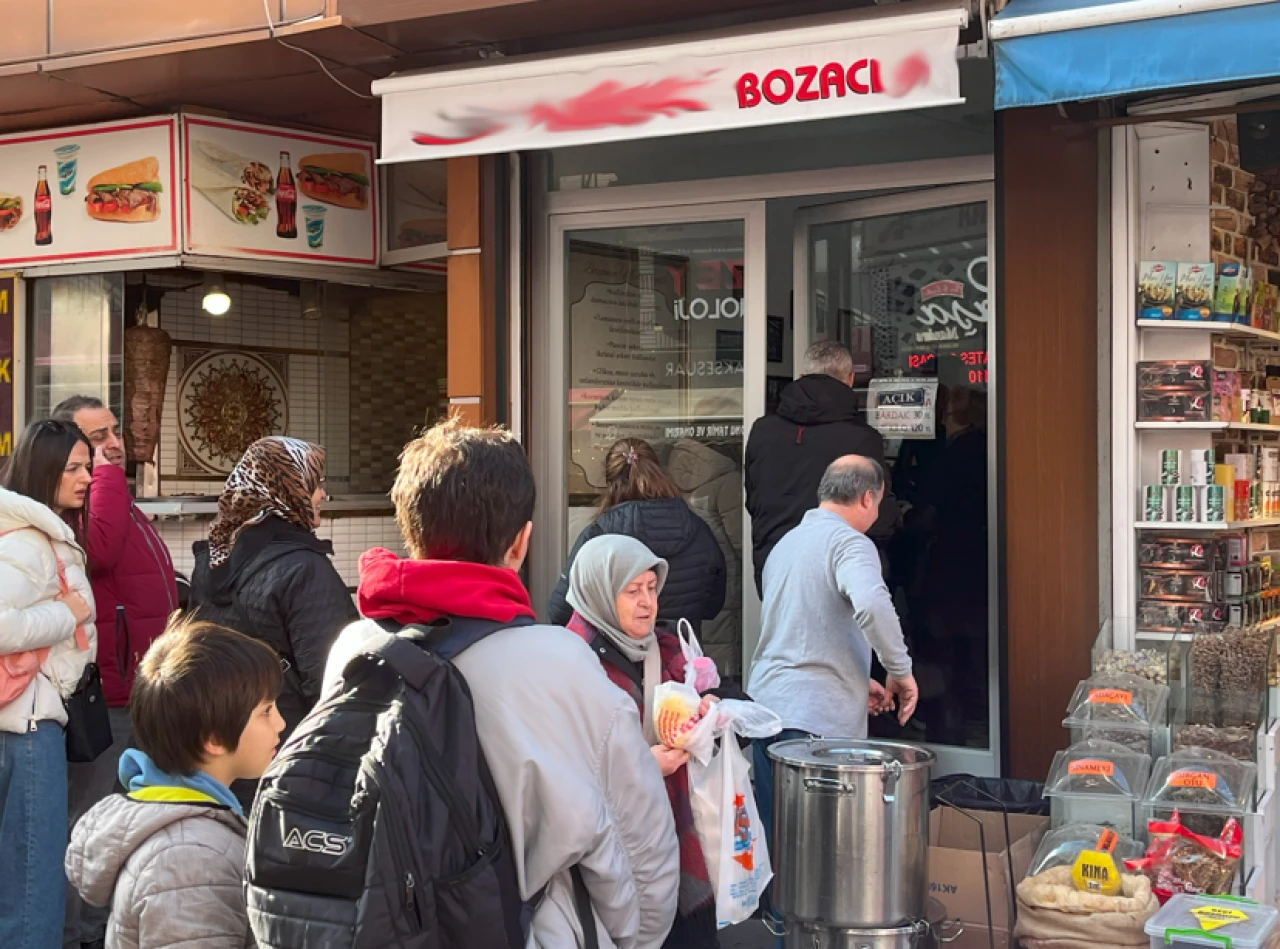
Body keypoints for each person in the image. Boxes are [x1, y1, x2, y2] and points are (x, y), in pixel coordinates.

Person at [325, 417, 679, 949]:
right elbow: (638, 838)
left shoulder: (354, 648)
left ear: (410, 527)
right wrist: (640, 938)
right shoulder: (559, 661)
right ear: (521, 542)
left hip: (378, 927)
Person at [66, 616, 285, 949]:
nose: (281, 722)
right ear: (213, 737)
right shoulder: (188, 858)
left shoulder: (186, 832)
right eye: (266, 711)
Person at [566, 533, 737, 949]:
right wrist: (644, 765)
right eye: (632, 591)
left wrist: (708, 713)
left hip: (678, 839)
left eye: (651, 588)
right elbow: (563, 768)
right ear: (600, 593)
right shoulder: (570, 662)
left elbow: (702, 720)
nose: (647, 602)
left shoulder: (665, 650)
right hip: (607, 860)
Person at [53, 395, 179, 949]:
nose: (112, 444)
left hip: (139, 682)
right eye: (95, 438)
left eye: (113, 432)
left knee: (120, 812)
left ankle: (100, 930)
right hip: (109, 686)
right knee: (91, 817)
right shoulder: (87, 495)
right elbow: (101, 552)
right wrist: (102, 473)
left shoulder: (105, 493)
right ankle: (79, 935)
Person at [748, 456, 919, 852]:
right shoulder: (850, 543)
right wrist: (900, 669)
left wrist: (858, 680)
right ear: (866, 498)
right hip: (816, 724)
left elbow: (804, 628)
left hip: (769, 709)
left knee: (778, 848)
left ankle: (776, 917)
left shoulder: (786, 545)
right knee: (819, 857)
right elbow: (873, 605)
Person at [188, 435, 356, 811]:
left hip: (222, 760)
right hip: (286, 763)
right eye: (314, 484)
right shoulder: (304, 569)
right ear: (287, 490)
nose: (321, 495)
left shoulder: (213, 559)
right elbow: (334, 683)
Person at [0, 420, 97, 949]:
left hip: (27, 718)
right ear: (44, 471)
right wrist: (67, 613)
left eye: (89, 466)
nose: (86, 477)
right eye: (73, 468)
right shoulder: (32, 540)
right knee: (33, 885)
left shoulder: (41, 530)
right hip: (29, 724)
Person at [744, 340, 898, 597]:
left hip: (776, 565)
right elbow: (880, 517)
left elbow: (754, 501)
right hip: (840, 568)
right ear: (850, 379)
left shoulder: (762, 430)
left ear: (802, 377)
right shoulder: (861, 438)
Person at [549, 438, 726, 636]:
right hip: (680, 657)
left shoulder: (597, 537)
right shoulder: (698, 529)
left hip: (616, 659)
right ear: (659, 473)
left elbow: (560, 612)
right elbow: (713, 606)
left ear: (609, 482)